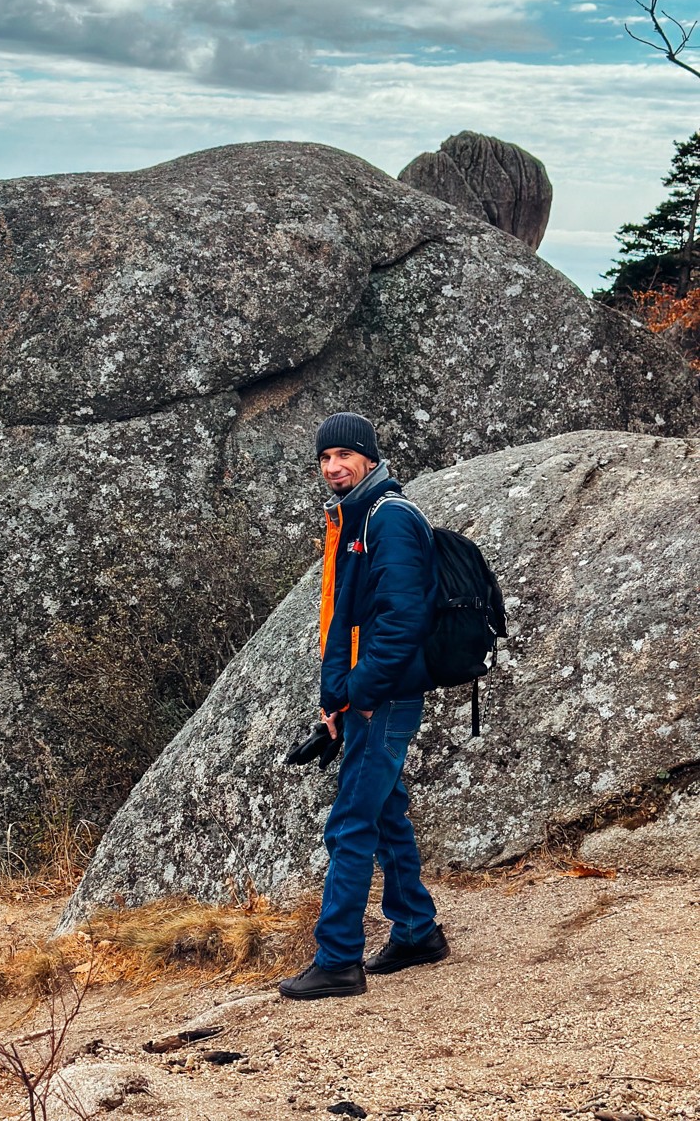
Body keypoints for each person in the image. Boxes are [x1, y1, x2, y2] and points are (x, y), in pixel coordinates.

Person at [279, 412, 449, 1000]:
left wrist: (361, 694)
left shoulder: (389, 518)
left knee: (350, 822)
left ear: (369, 459)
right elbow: (346, 619)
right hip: (367, 696)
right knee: (383, 814)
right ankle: (418, 931)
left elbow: (404, 622)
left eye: (344, 456)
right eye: (325, 458)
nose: (333, 467)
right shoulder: (353, 518)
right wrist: (336, 700)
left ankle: (337, 961)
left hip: (385, 696)